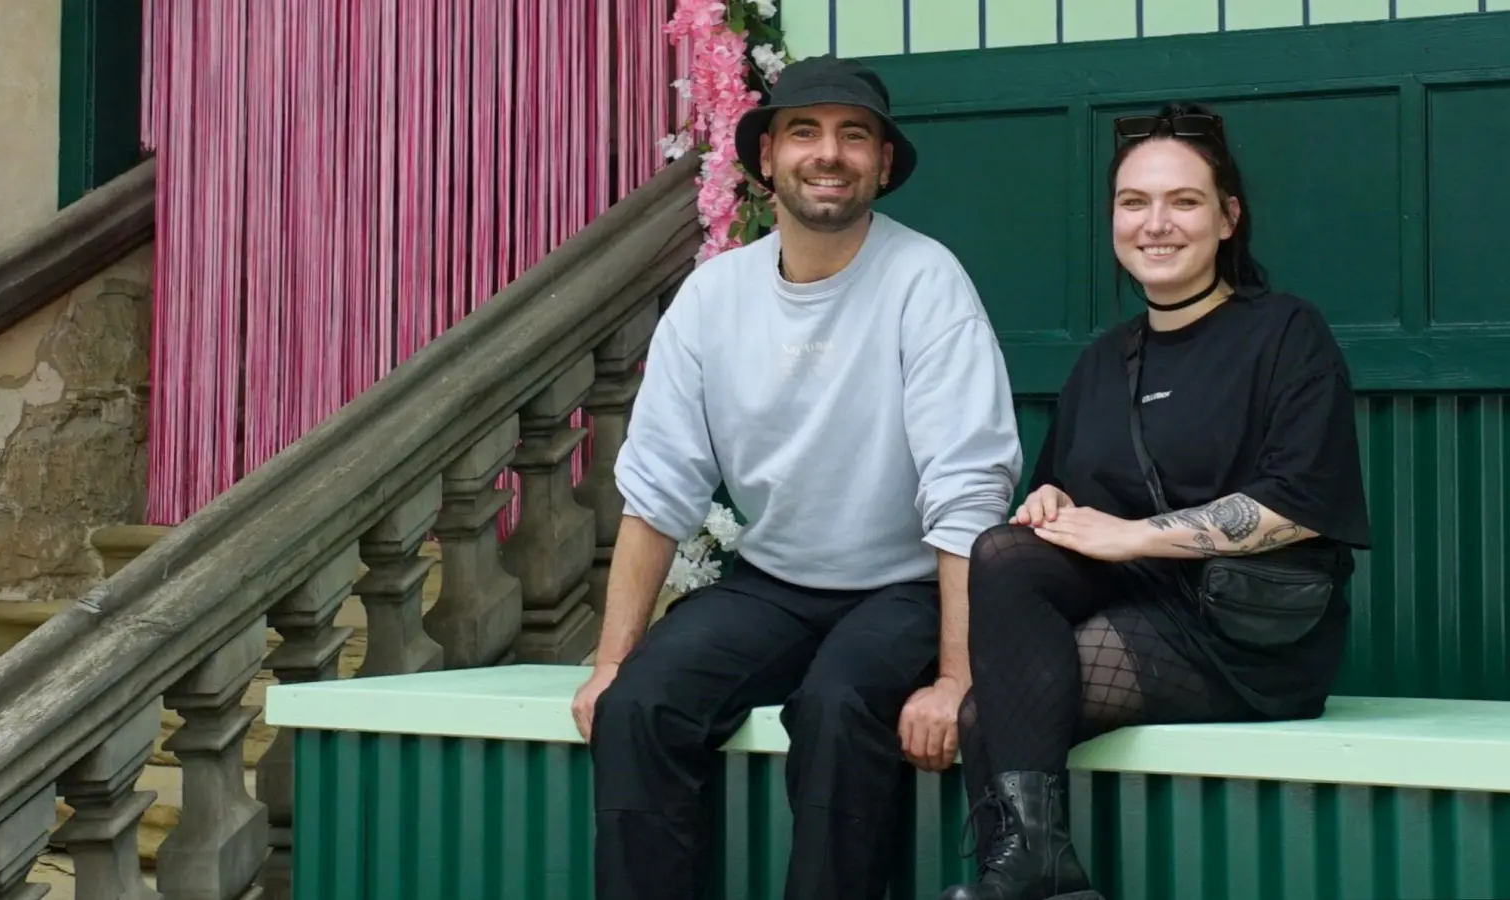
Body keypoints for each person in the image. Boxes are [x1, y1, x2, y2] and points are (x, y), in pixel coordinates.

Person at [569, 55, 1024, 900]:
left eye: (855, 136)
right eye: (806, 132)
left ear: (883, 165)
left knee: (838, 707)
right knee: (637, 707)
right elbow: (659, 487)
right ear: (768, 156)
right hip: (774, 583)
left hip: (907, 586)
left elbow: (967, 492)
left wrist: (957, 679)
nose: (830, 153)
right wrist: (609, 662)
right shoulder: (713, 298)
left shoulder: (926, 282)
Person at [939, 103, 1371, 900]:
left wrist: (1135, 537)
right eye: (1134, 202)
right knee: (1003, 571)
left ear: (1228, 218)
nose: (1156, 223)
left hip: (1251, 636)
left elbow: (1302, 502)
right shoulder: (1105, 363)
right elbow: (1068, 503)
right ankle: (1041, 871)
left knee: (989, 718)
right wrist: (1051, 502)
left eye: (1184, 201)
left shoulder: (1285, 334)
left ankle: (1040, 875)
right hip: (1143, 615)